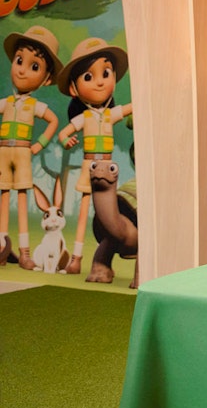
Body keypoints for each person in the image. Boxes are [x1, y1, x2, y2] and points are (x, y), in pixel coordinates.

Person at [56, 37, 133, 275]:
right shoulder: (84, 118)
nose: (99, 83)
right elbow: (64, 133)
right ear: (73, 88)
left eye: (105, 73)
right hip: (89, 165)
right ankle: (76, 258)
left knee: (108, 209)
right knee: (84, 212)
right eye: (89, 77)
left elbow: (133, 106)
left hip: (108, 166)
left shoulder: (110, 115)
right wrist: (66, 140)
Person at [1, 26, 62, 270]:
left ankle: (25, 253)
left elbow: (54, 120)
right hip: (4, 152)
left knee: (23, 200)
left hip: (24, 152)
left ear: (46, 78)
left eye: (34, 66)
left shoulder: (35, 105)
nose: (23, 70)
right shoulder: (6, 103)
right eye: (19, 61)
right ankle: (3, 249)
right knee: (3, 199)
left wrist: (39, 144)